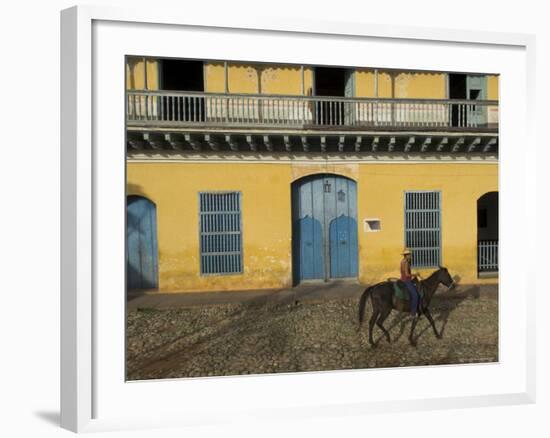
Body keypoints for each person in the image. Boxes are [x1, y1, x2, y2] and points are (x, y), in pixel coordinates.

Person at [400, 248, 420, 317]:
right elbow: (407, 274)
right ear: (406, 255)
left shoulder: (403, 261)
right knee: (415, 295)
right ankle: (413, 313)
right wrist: (415, 275)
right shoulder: (406, 262)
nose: (411, 256)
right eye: (410, 255)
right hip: (406, 280)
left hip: (403, 279)